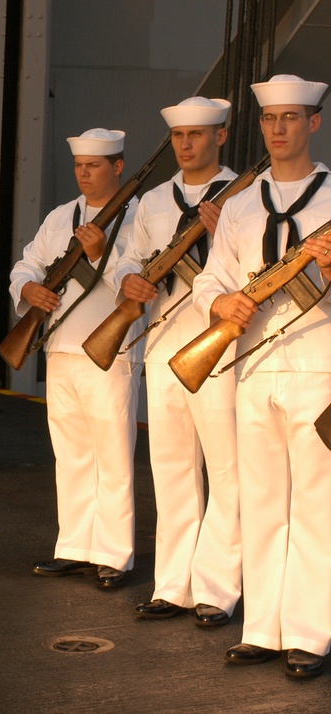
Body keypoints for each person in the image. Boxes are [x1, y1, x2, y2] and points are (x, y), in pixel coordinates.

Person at [192, 74, 331, 678]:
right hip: (252, 367)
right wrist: (220, 306)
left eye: (291, 119)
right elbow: (210, 279)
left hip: (318, 364)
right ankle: (263, 629)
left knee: (317, 508)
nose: (278, 131)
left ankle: (309, 634)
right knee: (263, 501)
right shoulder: (243, 204)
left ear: (314, 124)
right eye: (270, 121)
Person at [115, 98, 242, 627]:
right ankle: (173, 585)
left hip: (221, 349)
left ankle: (217, 588)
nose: (186, 144)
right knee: (170, 470)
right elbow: (130, 253)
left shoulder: (246, 196)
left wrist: (219, 232)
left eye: (197, 133)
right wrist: (128, 276)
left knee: (228, 472)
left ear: (222, 136)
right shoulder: (151, 202)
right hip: (166, 347)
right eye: (178, 136)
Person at [10, 129, 142, 588]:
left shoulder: (135, 217)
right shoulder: (60, 216)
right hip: (61, 348)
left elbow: (138, 277)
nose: (85, 174)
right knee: (71, 454)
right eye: (80, 166)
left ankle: (113, 554)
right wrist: (28, 288)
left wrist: (102, 252)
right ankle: (74, 547)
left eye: (96, 166)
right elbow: (28, 263)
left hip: (110, 350)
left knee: (112, 455)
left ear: (118, 166)